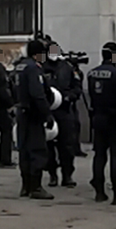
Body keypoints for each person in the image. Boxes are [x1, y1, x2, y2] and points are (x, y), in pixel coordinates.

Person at [86, 42, 116, 205]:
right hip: (115, 119)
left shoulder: (92, 73)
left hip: (98, 117)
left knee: (99, 155)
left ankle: (99, 191)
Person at [14, 39, 55, 200]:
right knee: (37, 150)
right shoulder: (33, 69)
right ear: (38, 54)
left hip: (21, 112)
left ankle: (26, 186)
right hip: (33, 115)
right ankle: (36, 187)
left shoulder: (20, 66)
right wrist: (47, 114)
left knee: (24, 150)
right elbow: (38, 94)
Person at [45, 40, 85, 187]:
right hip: (49, 111)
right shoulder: (43, 68)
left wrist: (69, 97)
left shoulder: (67, 67)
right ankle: (52, 174)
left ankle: (67, 175)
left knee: (67, 146)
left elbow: (77, 87)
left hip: (65, 110)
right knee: (48, 146)